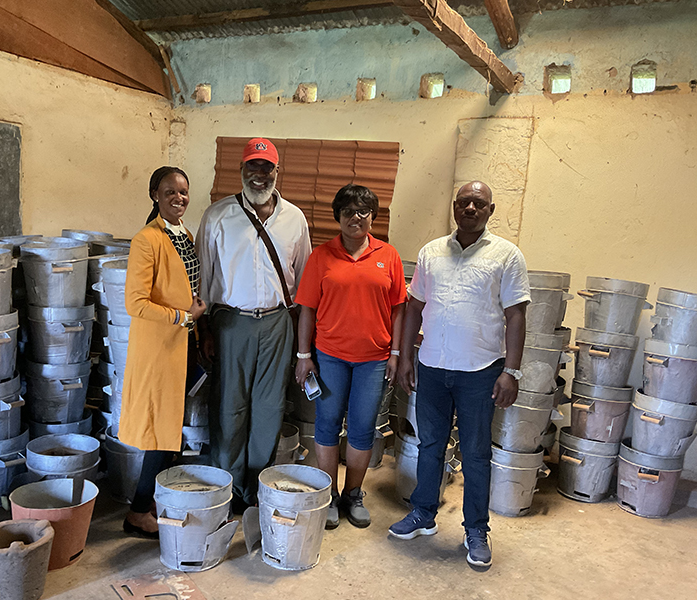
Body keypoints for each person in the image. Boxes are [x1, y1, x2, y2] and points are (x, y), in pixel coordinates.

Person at [388, 181, 529, 569]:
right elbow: (414, 307)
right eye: (464, 202)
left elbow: (516, 315)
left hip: (481, 372)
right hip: (432, 366)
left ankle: (476, 530)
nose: (470, 207)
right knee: (430, 445)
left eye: (478, 203)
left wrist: (511, 371)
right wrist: (404, 358)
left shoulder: (506, 255)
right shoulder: (432, 252)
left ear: (490, 209)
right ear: (454, 206)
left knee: (476, 452)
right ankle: (423, 514)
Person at [196, 138, 312, 510]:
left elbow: (304, 277)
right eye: (253, 167)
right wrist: (205, 330)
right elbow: (203, 278)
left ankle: (254, 488)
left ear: (278, 172)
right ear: (241, 170)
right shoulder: (217, 216)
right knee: (229, 406)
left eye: (267, 168)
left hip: (278, 323)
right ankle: (226, 489)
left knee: (268, 408)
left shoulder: (295, 218)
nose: (259, 175)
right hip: (232, 323)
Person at [295, 184, 406, 529]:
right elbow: (307, 310)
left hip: (373, 359)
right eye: (347, 212)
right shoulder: (321, 257)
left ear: (372, 216)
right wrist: (303, 355)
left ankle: (353, 494)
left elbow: (399, 308)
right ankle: (328, 495)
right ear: (338, 217)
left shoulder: (389, 256)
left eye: (362, 211)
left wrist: (396, 353)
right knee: (326, 425)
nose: (355, 218)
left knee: (361, 429)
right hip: (329, 357)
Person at [119, 166, 206, 538]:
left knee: (171, 428)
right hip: (159, 349)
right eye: (170, 191)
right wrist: (183, 316)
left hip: (183, 344)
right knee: (159, 432)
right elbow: (135, 303)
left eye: (183, 192)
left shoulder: (184, 234)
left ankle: (153, 501)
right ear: (155, 194)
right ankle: (137, 512)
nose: (178, 198)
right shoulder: (147, 239)